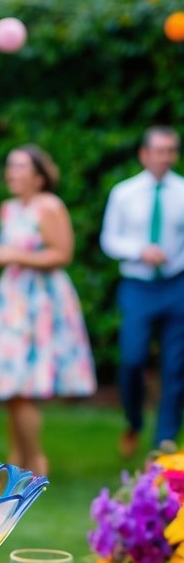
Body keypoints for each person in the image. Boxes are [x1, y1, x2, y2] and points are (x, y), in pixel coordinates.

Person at [0, 145, 96, 476]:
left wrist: (8, 255)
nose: (11, 172)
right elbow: (8, 250)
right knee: (11, 385)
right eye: (9, 165)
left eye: (20, 167)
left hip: (40, 303)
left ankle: (35, 462)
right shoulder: (8, 208)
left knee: (22, 386)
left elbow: (61, 254)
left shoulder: (49, 207)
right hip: (12, 300)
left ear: (39, 176)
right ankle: (18, 461)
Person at [101, 126, 184, 456]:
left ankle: (163, 440)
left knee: (175, 365)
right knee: (132, 359)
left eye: (171, 150)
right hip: (137, 285)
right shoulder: (124, 193)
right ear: (144, 154)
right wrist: (140, 250)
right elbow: (109, 240)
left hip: (176, 284)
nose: (165, 156)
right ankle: (133, 420)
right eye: (159, 150)